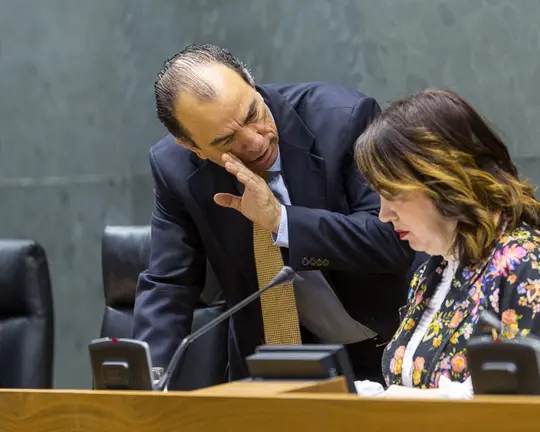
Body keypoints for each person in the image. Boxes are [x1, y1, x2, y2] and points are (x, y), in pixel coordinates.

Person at [132, 43, 415, 384]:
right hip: (273, 367)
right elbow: (169, 283)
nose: (254, 142)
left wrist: (283, 222)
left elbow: (390, 238)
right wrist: (146, 382)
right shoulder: (174, 169)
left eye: (253, 114)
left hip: (386, 348)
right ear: (193, 147)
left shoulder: (344, 119)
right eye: (226, 141)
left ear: (252, 85)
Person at [353, 89, 540, 397]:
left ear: (444, 181)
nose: (383, 214)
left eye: (393, 193)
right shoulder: (431, 274)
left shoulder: (530, 266)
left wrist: (438, 405)